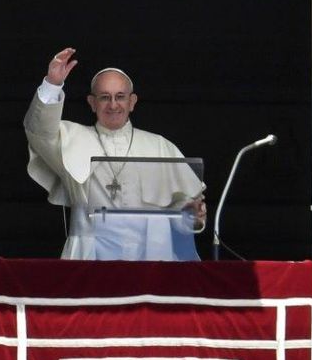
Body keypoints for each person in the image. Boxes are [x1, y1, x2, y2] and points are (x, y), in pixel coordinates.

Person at [24, 47, 206, 260]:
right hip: (91, 257)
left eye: (120, 96)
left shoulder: (159, 145)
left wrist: (191, 214)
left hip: (152, 256)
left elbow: (181, 214)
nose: (113, 105)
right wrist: (52, 84)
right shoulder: (70, 138)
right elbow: (39, 132)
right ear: (92, 103)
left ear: (132, 102)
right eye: (104, 97)